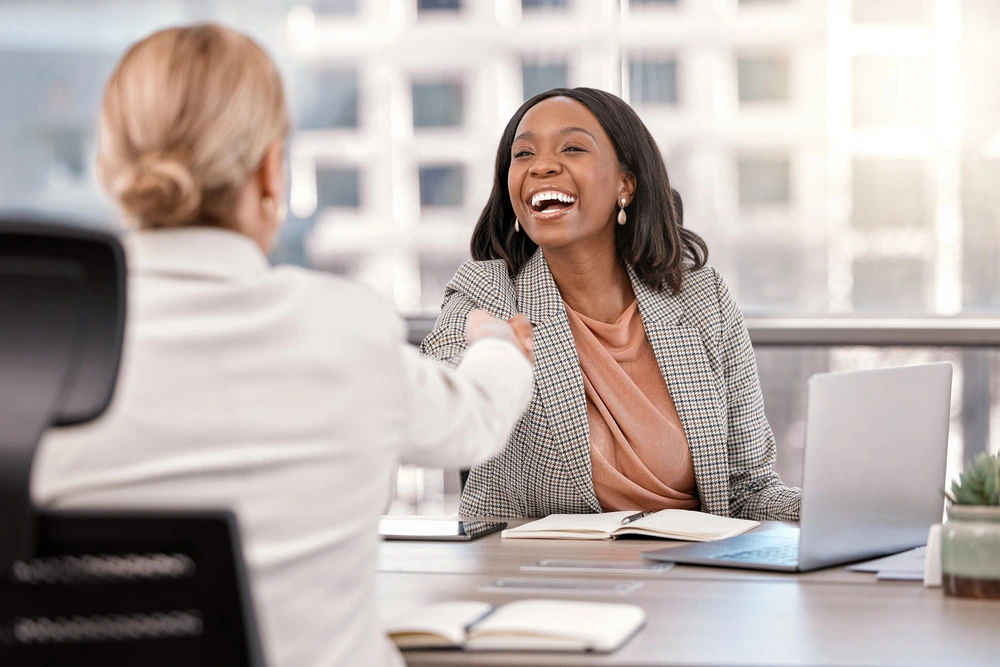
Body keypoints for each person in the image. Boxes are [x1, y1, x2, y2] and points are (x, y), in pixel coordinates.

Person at [31, 25, 534, 667]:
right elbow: (475, 421)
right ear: (272, 171)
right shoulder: (344, 329)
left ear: (113, 171)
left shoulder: (35, 350)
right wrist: (496, 340)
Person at [421, 87, 801, 521]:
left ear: (626, 183)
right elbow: (436, 402)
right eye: (523, 154)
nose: (541, 165)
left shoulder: (702, 298)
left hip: (689, 576)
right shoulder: (488, 292)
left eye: (572, 147)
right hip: (537, 575)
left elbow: (748, 489)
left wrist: (835, 508)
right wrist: (488, 349)